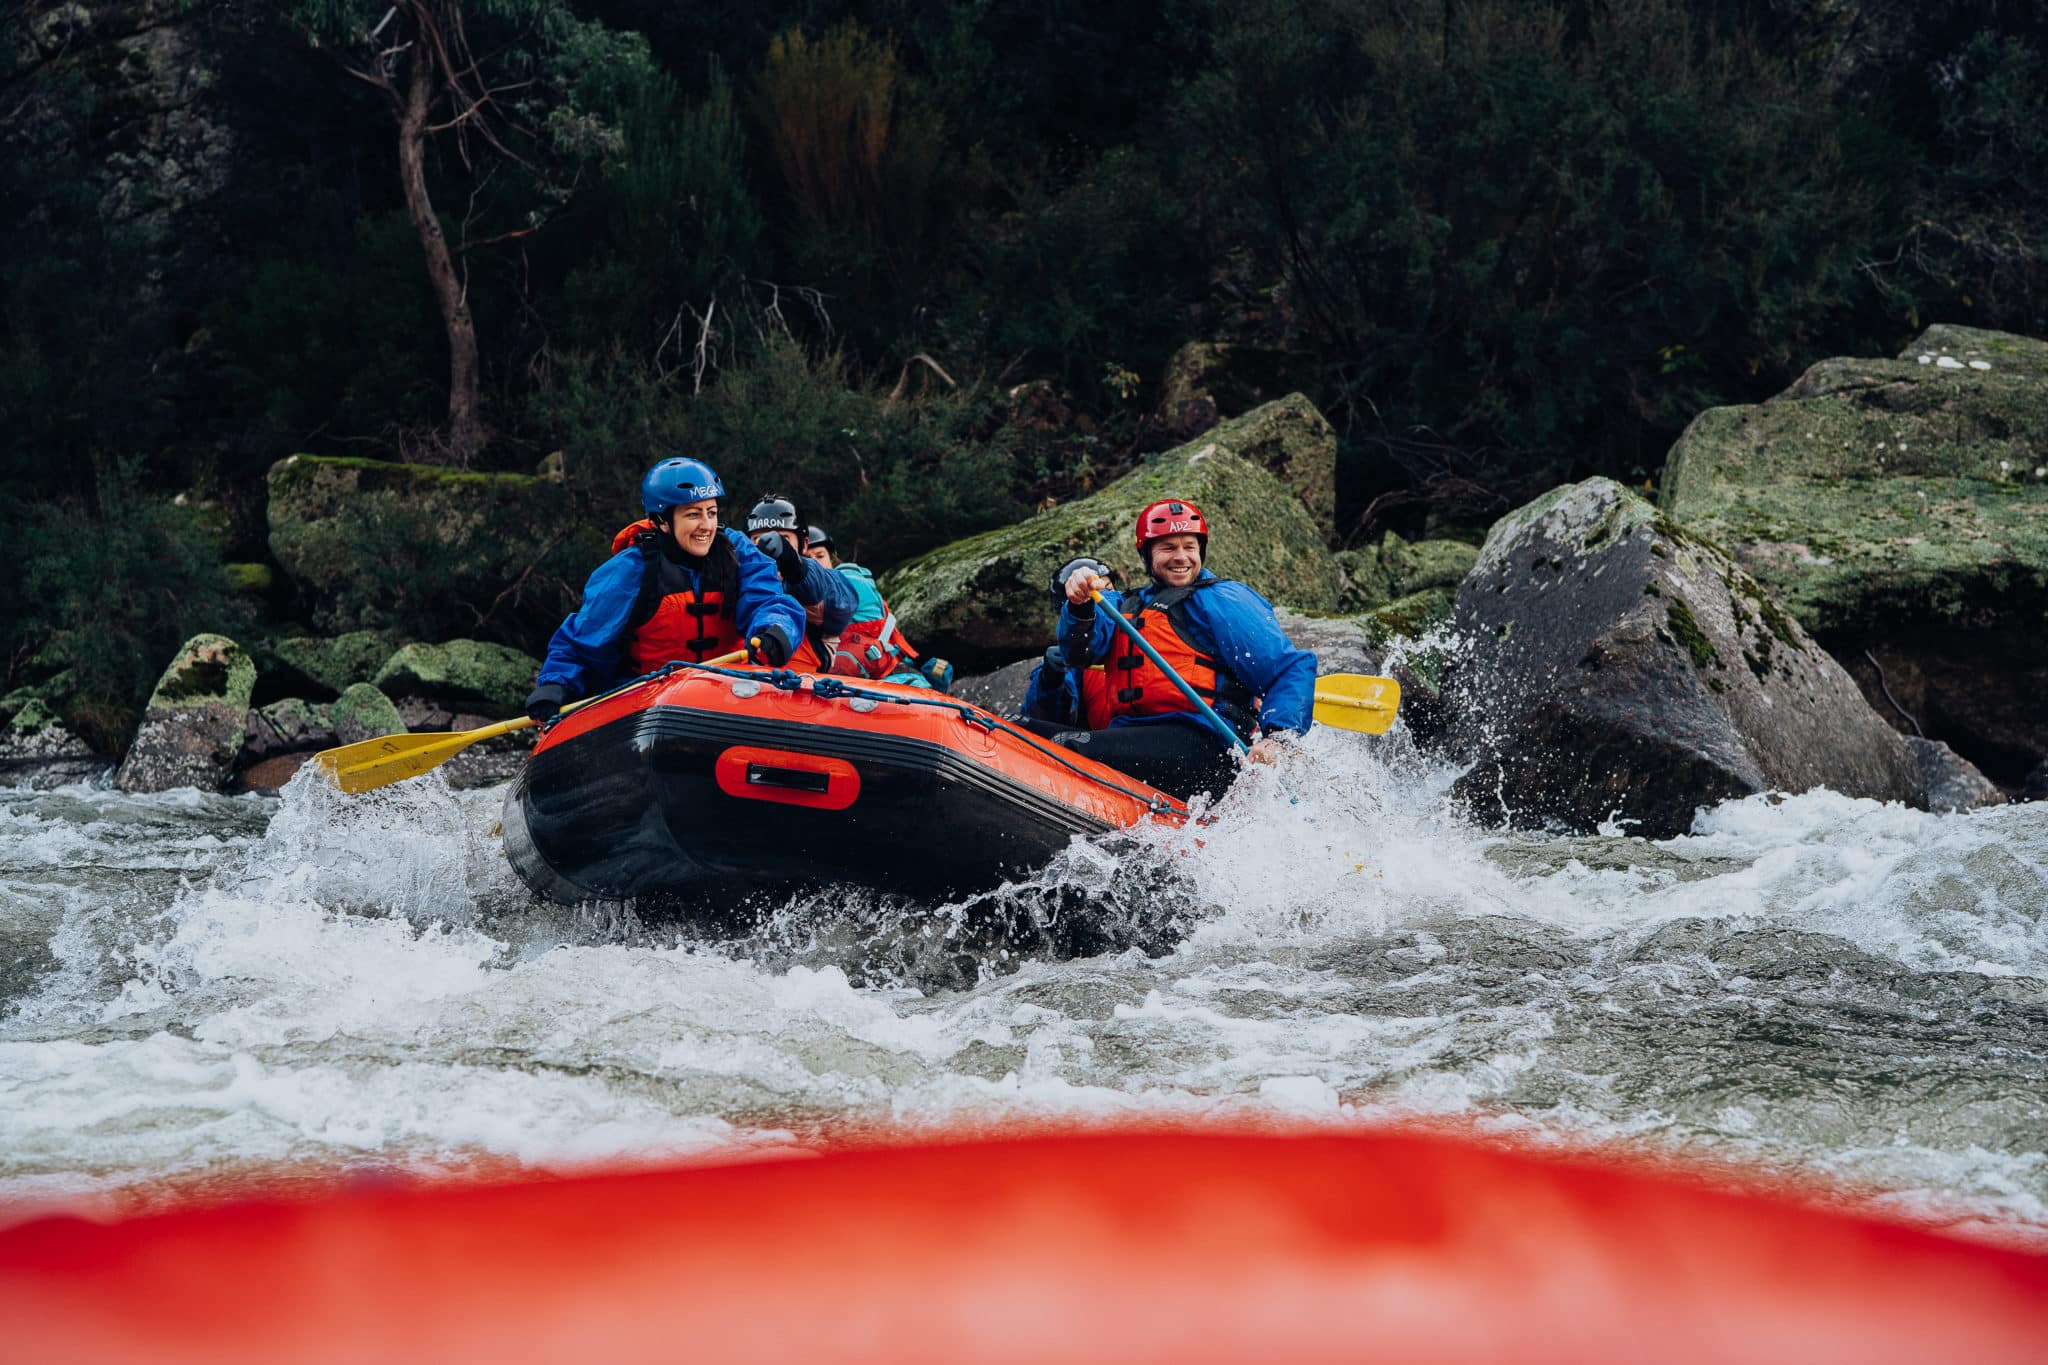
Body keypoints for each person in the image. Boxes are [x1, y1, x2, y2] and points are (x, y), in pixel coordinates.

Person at [1047, 499, 1316, 800]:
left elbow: (1289, 668)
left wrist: (1278, 738)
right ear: (1147, 555)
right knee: (1024, 730)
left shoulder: (1224, 600)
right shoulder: (1126, 604)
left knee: (1065, 747)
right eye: (1168, 548)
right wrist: (1080, 605)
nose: (1181, 557)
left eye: (1189, 546)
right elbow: (1079, 652)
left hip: (1203, 746)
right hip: (1137, 737)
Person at [523, 458, 807, 722]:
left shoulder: (737, 551)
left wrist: (775, 628)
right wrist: (555, 684)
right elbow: (581, 641)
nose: (706, 526)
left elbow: (769, 598)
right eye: (693, 515)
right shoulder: (630, 571)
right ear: (662, 522)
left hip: (727, 694)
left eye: (711, 513)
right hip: (647, 702)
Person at [802, 524, 954, 692]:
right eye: (807, 558)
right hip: (858, 677)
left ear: (831, 559)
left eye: (820, 556)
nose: (814, 563)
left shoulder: (849, 582)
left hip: (884, 674)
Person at [744, 496, 857, 671]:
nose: (769, 546)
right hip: (739, 685)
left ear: (804, 545)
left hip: (799, 687)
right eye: (758, 539)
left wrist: (793, 566)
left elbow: (840, 605)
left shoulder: (828, 580)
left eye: (784, 538)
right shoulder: (739, 578)